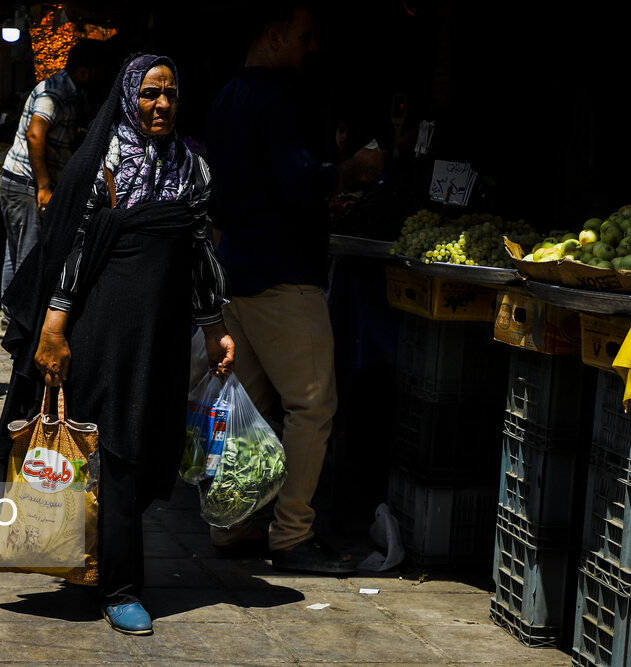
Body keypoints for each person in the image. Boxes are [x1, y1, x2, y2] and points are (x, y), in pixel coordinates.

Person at [0, 53, 234, 636]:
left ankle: (94, 561)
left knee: (145, 447)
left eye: (170, 94)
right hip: (103, 328)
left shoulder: (193, 170)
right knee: (116, 451)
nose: (161, 105)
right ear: (130, 96)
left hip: (161, 336)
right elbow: (74, 250)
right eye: (150, 93)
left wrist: (212, 325)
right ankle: (121, 588)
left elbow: (199, 253)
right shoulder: (105, 162)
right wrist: (54, 327)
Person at [204, 3, 386, 574]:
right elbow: (299, 180)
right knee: (312, 405)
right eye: (305, 36)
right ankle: (291, 534)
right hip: (281, 275)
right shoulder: (275, 98)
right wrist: (354, 168)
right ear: (273, 33)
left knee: (249, 406)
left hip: (236, 272)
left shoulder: (226, 96)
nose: (313, 48)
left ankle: (230, 525)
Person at [0, 39, 105, 335]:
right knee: (26, 252)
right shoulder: (55, 91)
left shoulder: (72, 94)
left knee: (16, 249)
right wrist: (44, 186)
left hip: (20, 181)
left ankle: (10, 316)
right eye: (94, 71)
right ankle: (17, 321)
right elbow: (35, 134)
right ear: (83, 71)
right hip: (25, 183)